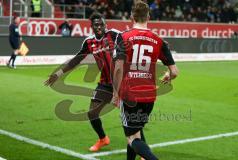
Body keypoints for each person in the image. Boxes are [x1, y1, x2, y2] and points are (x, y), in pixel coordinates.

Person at [45, 12, 120, 152]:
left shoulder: (114, 35)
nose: (99, 27)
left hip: (121, 82)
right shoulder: (89, 42)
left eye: (101, 24)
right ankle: (103, 139)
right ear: (91, 26)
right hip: (105, 84)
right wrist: (58, 73)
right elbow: (76, 59)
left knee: (130, 118)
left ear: (106, 25)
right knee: (92, 113)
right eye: (96, 25)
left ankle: (141, 148)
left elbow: (133, 40)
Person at [113, 1, 179, 160]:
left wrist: (115, 94)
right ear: (148, 16)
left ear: (131, 17)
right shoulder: (158, 40)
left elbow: (118, 68)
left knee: (132, 138)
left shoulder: (123, 37)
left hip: (129, 95)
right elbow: (175, 72)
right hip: (149, 96)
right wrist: (167, 76)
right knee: (135, 132)